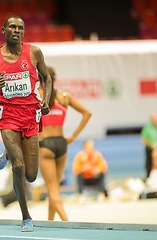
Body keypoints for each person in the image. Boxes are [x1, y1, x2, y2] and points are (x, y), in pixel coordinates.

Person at [0, 16, 52, 232]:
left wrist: (46, 100)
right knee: (18, 167)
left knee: (31, 175)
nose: (17, 30)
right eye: (12, 27)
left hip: (31, 114)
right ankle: (26, 217)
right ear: (4, 30)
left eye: (20, 27)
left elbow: (46, 78)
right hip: (8, 115)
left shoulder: (34, 52)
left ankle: (7, 154)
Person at [38, 66, 91, 221]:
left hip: (45, 144)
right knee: (54, 189)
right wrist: (73, 136)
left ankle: (67, 223)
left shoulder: (36, 96)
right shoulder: (64, 96)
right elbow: (87, 113)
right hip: (62, 143)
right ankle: (50, 223)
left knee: (52, 191)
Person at [140, 113, 157, 179]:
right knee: (149, 163)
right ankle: (148, 176)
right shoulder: (147, 128)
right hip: (150, 148)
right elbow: (143, 139)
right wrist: (151, 145)